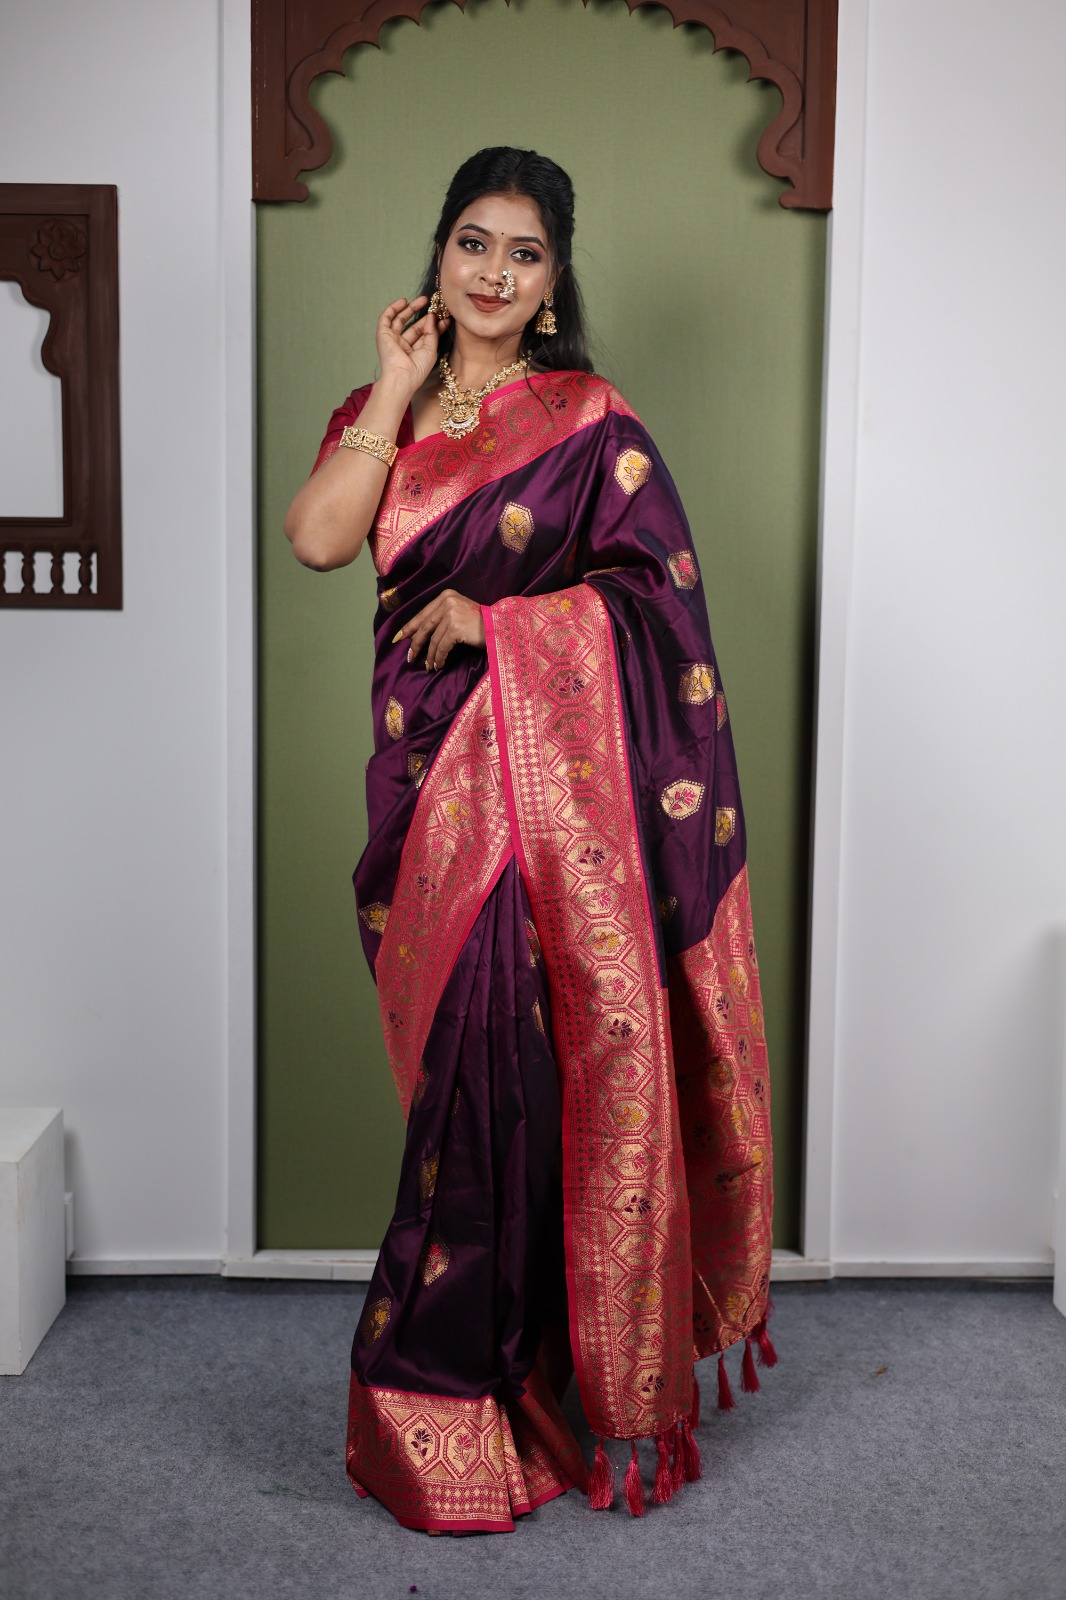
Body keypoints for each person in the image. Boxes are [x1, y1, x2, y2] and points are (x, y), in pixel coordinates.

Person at [284, 146, 776, 1536]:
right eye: (473, 243)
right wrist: (391, 388)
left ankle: (489, 1389)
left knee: (515, 1079)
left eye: (525, 253)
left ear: (554, 282)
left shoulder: (590, 422)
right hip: (422, 788)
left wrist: (499, 622)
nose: (494, 272)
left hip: (545, 811)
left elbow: (658, 604)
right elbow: (318, 540)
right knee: (462, 1089)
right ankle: (462, 1402)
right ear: (438, 255)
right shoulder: (378, 413)